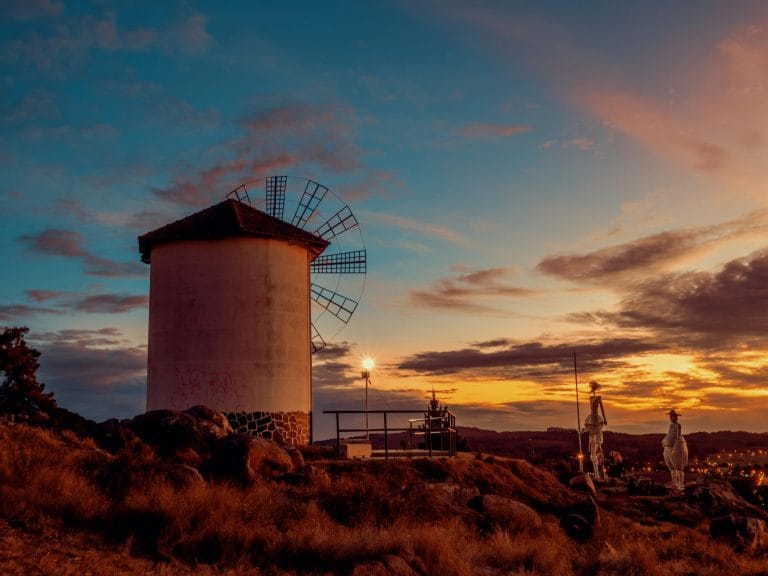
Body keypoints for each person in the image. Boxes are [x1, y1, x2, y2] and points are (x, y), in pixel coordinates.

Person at [584, 380, 607, 479]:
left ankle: (601, 471)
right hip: (592, 420)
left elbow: (602, 409)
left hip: (596, 421)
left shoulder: (598, 397)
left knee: (597, 444)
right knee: (592, 449)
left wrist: (605, 419)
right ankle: (596, 473)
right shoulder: (590, 398)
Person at [662, 409, 688, 491]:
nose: (671, 418)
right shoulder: (671, 426)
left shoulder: (677, 425)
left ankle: (680, 484)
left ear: (675, 417)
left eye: (672, 416)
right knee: (672, 468)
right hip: (668, 448)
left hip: (675, 449)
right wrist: (664, 441)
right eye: (670, 416)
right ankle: (674, 483)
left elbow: (678, 437)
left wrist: (675, 448)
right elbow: (669, 435)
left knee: (678, 468)